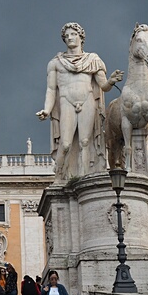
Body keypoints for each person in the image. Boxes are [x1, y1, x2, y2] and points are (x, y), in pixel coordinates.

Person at [36, 22, 123, 180]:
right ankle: (59, 178)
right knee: (66, 143)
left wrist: (111, 80)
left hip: (87, 100)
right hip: (66, 101)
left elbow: (103, 86)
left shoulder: (93, 59)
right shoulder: (55, 63)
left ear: (81, 37)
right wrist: (47, 110)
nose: (70, 38)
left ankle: (83, 178)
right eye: (66, 36)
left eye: (73, 34)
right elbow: (51, 89)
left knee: (85, 141)